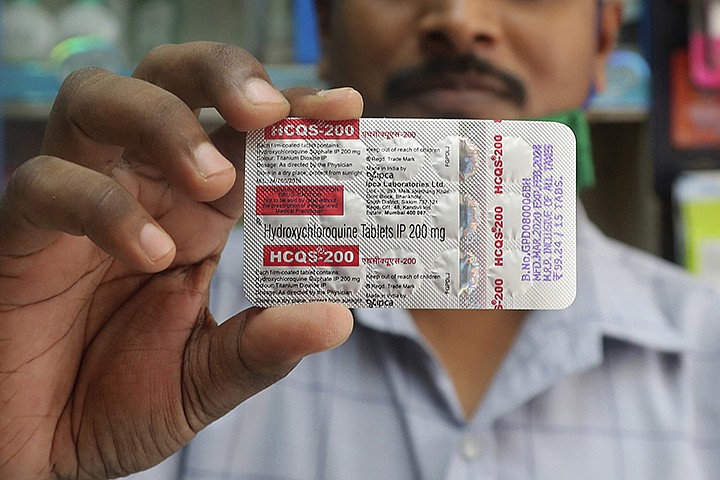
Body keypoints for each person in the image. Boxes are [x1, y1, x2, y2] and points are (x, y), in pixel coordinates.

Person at [1, 0, 719, 478]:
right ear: (326, 27)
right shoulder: (150, 322)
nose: (460, 19)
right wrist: (30, 453)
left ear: (602, 41)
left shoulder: (708, 356)